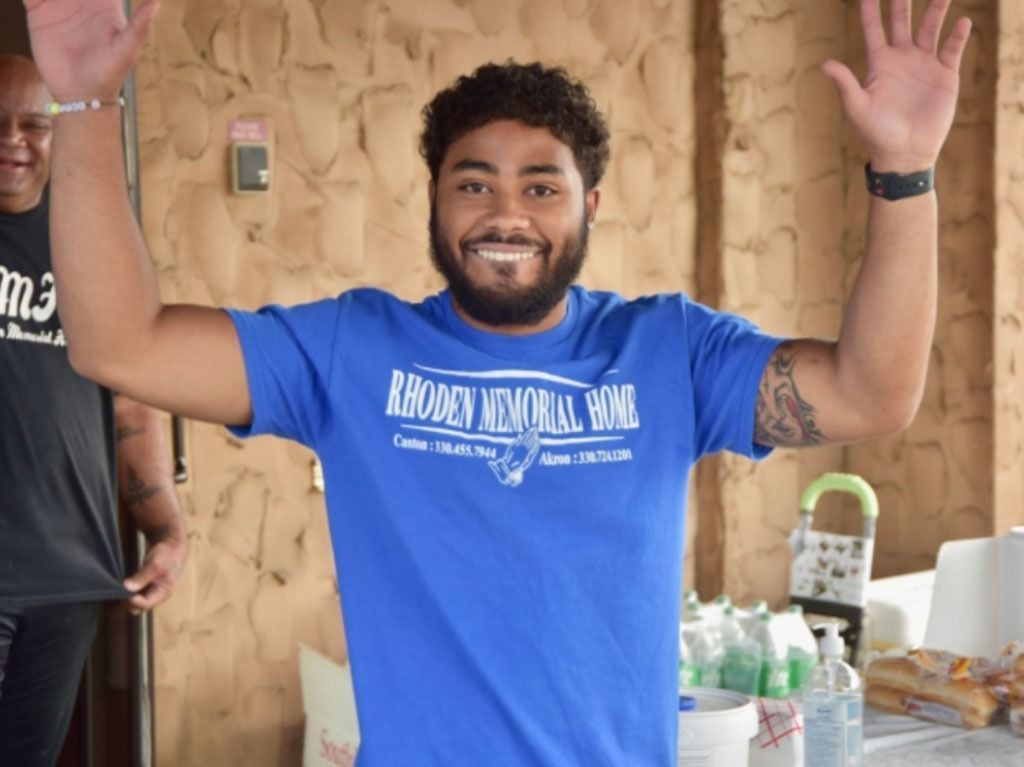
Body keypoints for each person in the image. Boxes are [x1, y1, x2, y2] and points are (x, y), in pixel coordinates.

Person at [22, 0, 970, 764]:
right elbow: (121, 346)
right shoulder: (354, 350)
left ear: (590, 205)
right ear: (433, 199)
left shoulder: (668, 352)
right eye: (473, 182)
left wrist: (903, 171)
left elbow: (870, 395)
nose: (505, 212)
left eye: (541, 186)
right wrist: (85, 105)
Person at [0, 52, 187, 767]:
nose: (13, 140)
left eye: (33, 124)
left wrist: (166, 528)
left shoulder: (90, 248)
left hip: (69, 575)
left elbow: (133, 395)